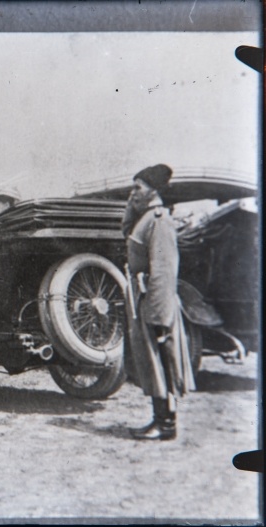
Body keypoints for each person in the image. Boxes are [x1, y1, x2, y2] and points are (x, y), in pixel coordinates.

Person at [123, 163, 195, 440]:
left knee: (162, 363)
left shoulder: (159, 220)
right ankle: (159, 420)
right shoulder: (145, 218)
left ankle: (166, 425)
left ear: (153, 191)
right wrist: (132, 205)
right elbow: (125, 231)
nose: (133, 193)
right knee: (152, 364)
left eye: (138, 188)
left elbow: (165, 271)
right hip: (146, 299)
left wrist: (160, 316)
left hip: (156, 303)